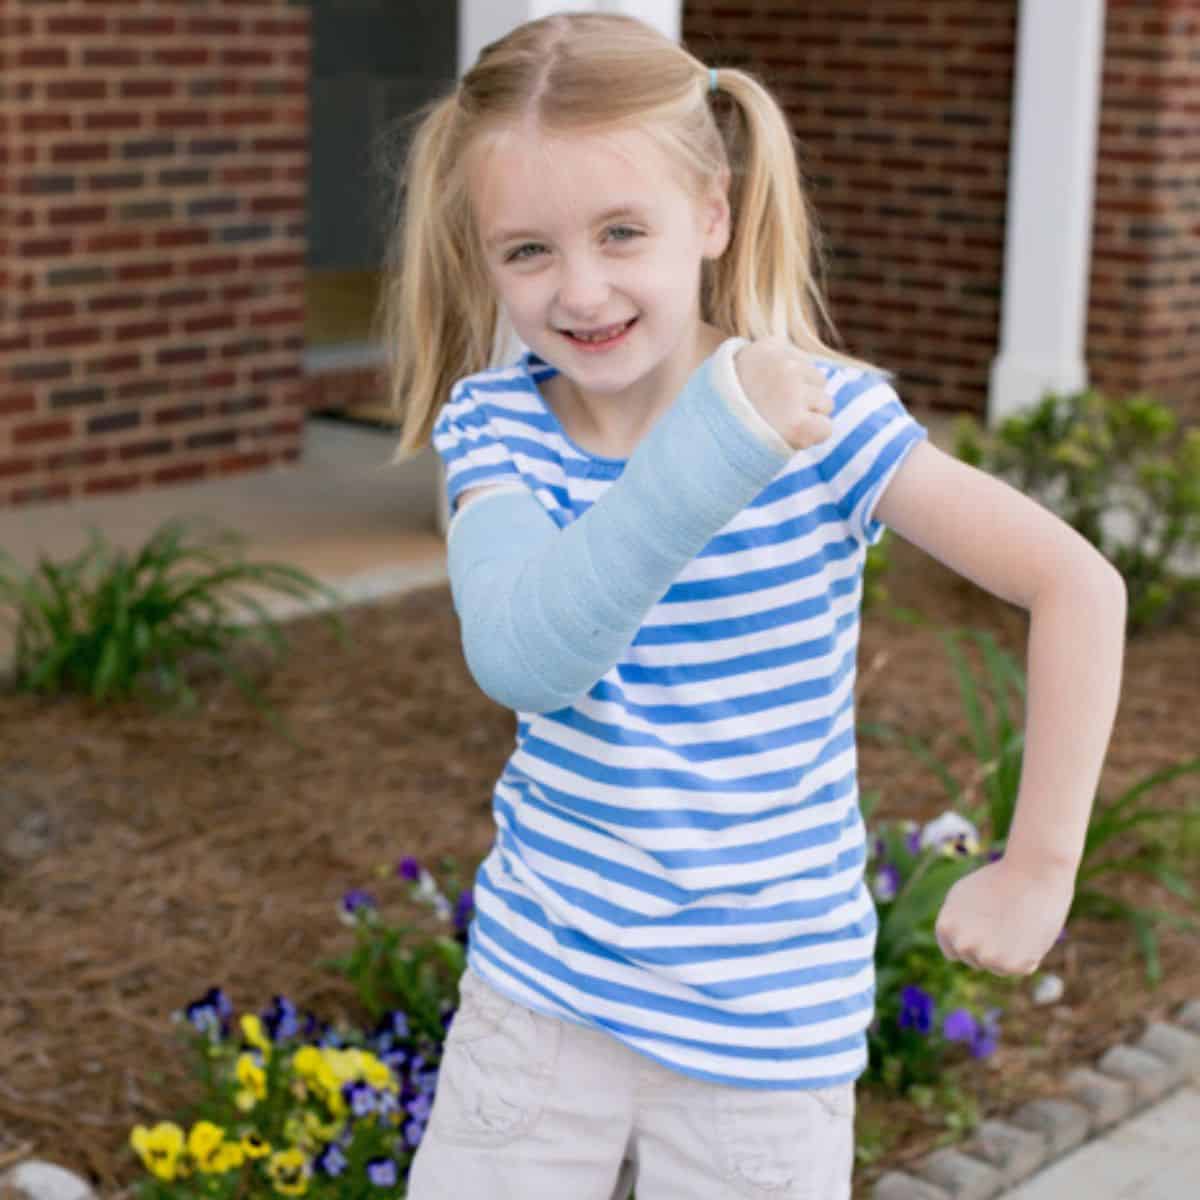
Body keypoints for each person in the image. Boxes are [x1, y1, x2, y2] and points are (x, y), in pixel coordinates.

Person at [378, 12, 1127, 1199]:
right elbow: (527, 655)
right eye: (527, 251)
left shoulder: (825, 421)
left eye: (624, 231)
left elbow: (1075, 581)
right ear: (481, 258)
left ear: (712, 215)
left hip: (763, 1032)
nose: (581, 289)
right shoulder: (499, 426)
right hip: (542, 996)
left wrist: (1040, 864)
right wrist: (714, 449)